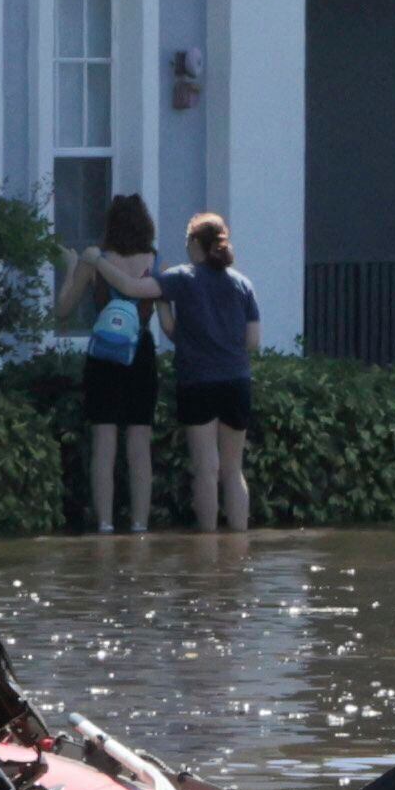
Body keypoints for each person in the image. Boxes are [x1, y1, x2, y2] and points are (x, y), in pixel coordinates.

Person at [60, 194, 166, 536]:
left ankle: (104, 523)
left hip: (103, 355)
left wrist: (69, 269)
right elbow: (166, 315)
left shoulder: (95, 260)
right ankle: (139, 524)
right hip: (141, 352)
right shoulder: (155, 260)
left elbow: (63, 310)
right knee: (139, 444)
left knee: (103, 443)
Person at [162, 213, 263, 534]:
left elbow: (167, 325)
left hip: (197, 381)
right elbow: (253, 341)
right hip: (236, 381)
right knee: (233, 470)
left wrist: (164, 301)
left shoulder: (181, 278)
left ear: (195, 244)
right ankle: (238, 545)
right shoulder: (243, 283)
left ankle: (206, 547)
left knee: (206, 469)